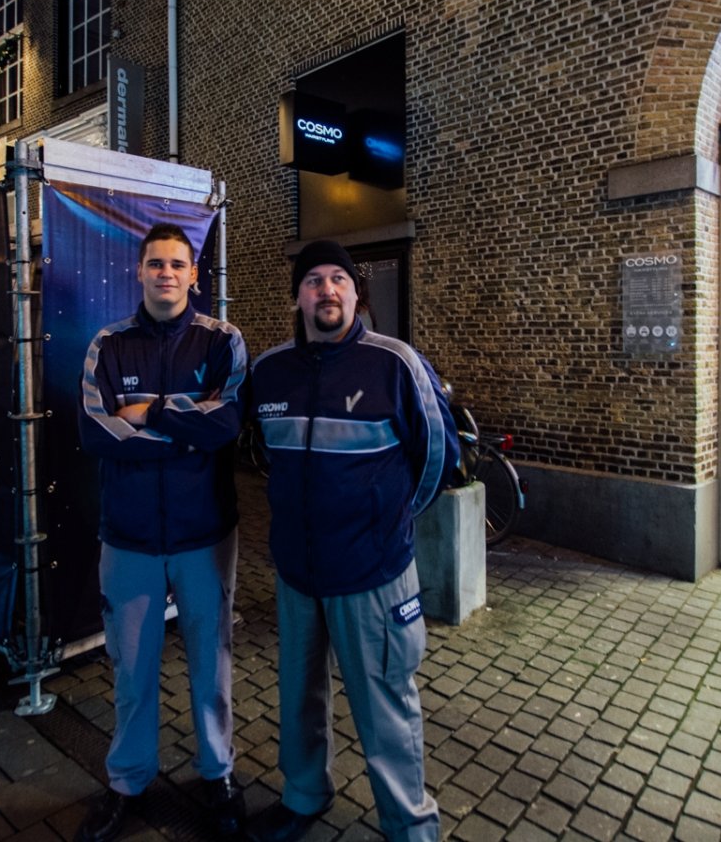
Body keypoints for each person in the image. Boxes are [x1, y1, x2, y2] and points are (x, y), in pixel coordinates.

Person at [248, 240, 459, 842]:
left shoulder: (395, 363)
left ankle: (409, 825)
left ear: (355, 292)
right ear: (297, 296)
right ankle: (303, 795)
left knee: (385, 703)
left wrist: (392, 520)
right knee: (298, 696)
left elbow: (440, 458)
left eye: (338, 278)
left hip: (373, 573)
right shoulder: (269, 371)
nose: (327, 290)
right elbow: (264, 455)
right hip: (297, 573)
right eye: (313, 280)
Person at [76, 223, 248, 842]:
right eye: (156, 263)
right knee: (131, 670)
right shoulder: (108, 345)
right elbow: (95, 432)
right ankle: (128, 781)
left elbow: (227, 424)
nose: (166, 273)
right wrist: (185, 431)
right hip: (129, 539)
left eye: (178, 264)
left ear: (194, 274)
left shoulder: (224, 341)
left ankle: (217, 774)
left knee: (211, 663)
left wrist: (149, 413)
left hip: (206, 536)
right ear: (140, 271)